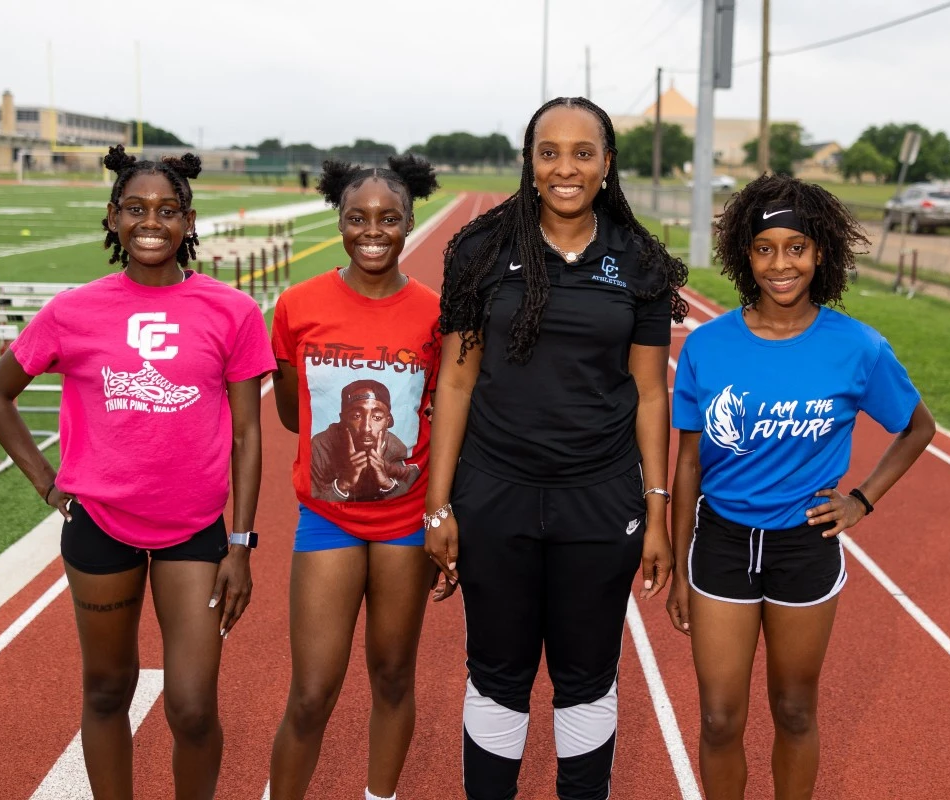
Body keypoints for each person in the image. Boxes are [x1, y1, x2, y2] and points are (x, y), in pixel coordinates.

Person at [0, 145, 275, 800]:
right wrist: (45, 480)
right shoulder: (73, 310)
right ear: (112, 219)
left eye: (168, 210)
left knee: (193, 706)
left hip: (194, 532)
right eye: (136, 208)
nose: (152, 221)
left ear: (189, 222)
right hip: (100, 528)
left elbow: (250, 434)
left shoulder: (233, 312)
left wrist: (242, 543)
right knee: (108, 688)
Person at [425, 96, 688, 800]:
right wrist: (437, 505)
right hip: (494, 493)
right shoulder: (481, 249)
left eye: (582, 152)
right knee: (499, 673)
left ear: (607, 165)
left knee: (586, 675)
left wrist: (657, 509)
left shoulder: (639, 261)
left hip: (598, 500)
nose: (564, 167)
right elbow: (456, 380)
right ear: (529, 163)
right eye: (549, 152)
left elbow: (651, 394)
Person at [665, 173, 936, 799]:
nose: (781, 264)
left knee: (794, 710)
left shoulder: (857, 347)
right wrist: (681, 567)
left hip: (804, 546)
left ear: (821, 254)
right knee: (719, 717)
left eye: (797, 248)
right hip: (725, 544)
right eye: (765, 249)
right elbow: (686, 465)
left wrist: (861, 499)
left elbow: (918, 427)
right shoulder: (708, 347)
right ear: (744, 255)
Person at [267, 155, 441, 800]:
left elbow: (442, 414)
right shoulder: (298, 305)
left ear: (408, 222)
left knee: (394, 676)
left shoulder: (433, 313)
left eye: (389, 218)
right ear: (339, 222)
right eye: (358, 218)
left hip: (406, 523)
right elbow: (292, 413)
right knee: (312, 692)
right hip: (328, 521)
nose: (374, 231)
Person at [310, 378, 419, 501]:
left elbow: (412, 496)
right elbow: (313, 502)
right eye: (356, 416)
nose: (366, 428)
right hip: (334, 518)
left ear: (387, 421)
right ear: (343, 419)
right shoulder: (322, 446)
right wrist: (344, 483)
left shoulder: (396, 448)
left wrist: (386, 483)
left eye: (377, 417)